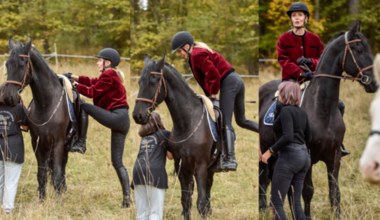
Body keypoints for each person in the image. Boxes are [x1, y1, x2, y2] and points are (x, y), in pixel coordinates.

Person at [171, 31, 259, 171]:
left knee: (225, 121)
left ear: (187, 46)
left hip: (229, 83)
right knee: (241, 121)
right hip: (235, 81)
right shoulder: (196, 54)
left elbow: (213, 74)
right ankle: (264, 131)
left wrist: (212, 93)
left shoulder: (196, 55)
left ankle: (230, 159)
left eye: (179, 51)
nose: (179, 54)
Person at [277, 1, 349, 156]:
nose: (297, 18)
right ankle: (280, 141)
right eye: (294, 16)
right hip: (291, 82)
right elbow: (283, 61)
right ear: (291, 19)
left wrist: (311, 62)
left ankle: (338, 142)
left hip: (315, 80)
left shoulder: (315, 39)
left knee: (339, 105)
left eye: (300, 15)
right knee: (279, 106)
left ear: (306, 18)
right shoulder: (283, 39)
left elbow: (324, 59)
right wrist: (301, 73)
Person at [65, 48, 131, 208]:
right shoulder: (110, 74)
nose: (97, 62)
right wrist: (76, 77)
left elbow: (92, 92)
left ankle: (81, 142)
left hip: (117, 117)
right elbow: (94, 82)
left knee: (85, 106)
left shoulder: (109, 74)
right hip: (122, 120)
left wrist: (73, 85)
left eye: (99, 60)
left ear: (108, 63)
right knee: (117, 162)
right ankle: (127, 198)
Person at [261, 81, 311, 220]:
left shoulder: (286, 112)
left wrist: (269, 151)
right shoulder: (302, 112)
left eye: (280, 92)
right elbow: (309, 137)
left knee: (276, 203)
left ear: (284, 94)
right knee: (296, 203)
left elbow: (287, 136)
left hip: (289, 157)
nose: (277, 95)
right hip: (304, 157)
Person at [132, 112, 172, 220]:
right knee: (155, 213)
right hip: (155, 174)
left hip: (137, 172)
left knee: (141, 213)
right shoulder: (164, 134)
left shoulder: (144, 138)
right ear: (159, 121)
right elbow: (170, 156)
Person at [0, 84, 27, 214]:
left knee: (0, 179)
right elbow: (27, 126)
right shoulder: (18, 108)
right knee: (11, 181)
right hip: (14, 148)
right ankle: (7, 210)